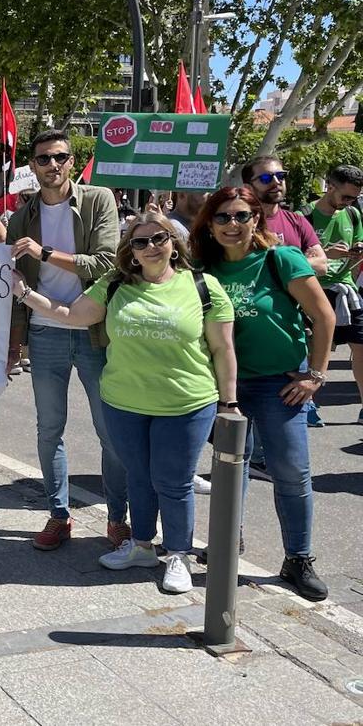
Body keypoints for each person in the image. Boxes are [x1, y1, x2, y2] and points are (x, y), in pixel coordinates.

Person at [13, 214, 237, 593]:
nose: (151, 247)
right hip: (124, 403)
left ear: (174, 243)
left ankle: (179, 554)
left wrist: (229, 403)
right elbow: (71, 314)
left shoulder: (203, 286)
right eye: (140, 242)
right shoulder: (113, 284)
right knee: (138, 477)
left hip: (186, 403)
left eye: (159, 238)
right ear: (130, 252)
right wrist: (23, 292)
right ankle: (143, 545)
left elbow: (223, 348)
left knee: (175, 482)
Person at [192, 187, 333, 600]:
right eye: (222, 218)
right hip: (225, 386)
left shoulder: (281, 259)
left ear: (257, 218)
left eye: (241, 216)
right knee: (230, 472)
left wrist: (316, 376)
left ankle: (298, 559)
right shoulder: (204, 267)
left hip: (279, 385)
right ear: (210, 224)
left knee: (291, 473)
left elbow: (323, 317)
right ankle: (225, 547)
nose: (232, 225)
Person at [5, 129, 130, 551]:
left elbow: (107, 264)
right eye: (43, 159)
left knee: (109, 431)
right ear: (33, 167)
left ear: (72, 161)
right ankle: (58, 516)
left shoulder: (98, 200)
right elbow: (14, 287)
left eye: (60, 157)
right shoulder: (22, 218)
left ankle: (118, 518)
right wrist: (13, 345)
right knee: (49, 430)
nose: (52, 165)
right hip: (45, 336)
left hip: (95, 333)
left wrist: (43, 253)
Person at [242, 156, 331, 435]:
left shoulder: (296, 220)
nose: (277, 182)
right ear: (249, 184)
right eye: (267, 178)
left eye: (280, 175)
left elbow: (323, 264)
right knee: (235, 449)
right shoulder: (237, 220)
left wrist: (280, 260)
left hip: (288, 350)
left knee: (288, 452)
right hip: (239, 348)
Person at [300, 165, 363, 422]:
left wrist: (357, 250)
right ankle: (308, 403)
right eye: (345, 197)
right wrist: (326, 254)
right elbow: (290, 258)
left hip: (346, 290)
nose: (349, 202)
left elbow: (355, 250)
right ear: (330, 186)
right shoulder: (303, 215)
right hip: (312, 290)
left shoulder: (353, 214)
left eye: (354, 198)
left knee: (361, 346)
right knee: (311, 348)